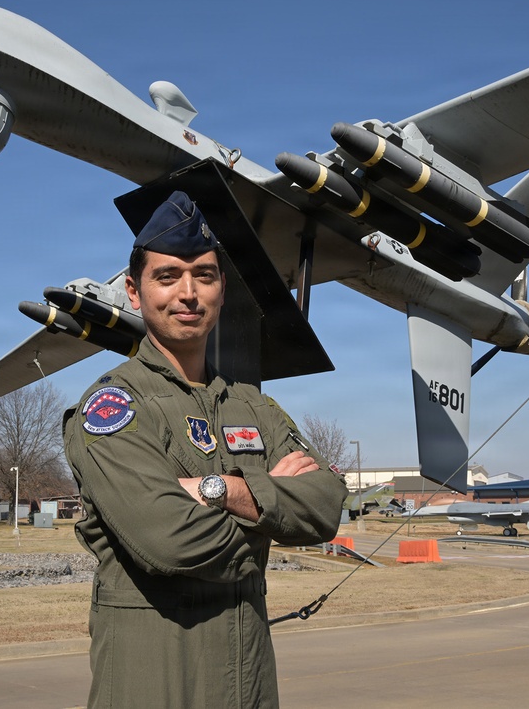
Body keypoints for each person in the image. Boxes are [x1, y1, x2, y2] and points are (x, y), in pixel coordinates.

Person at [63, 190, 348, 708]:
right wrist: (271, 512)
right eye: (167, 276)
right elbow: (168, 540)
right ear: (134, 292)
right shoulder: (113, 406)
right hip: (155, 683)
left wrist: (220, 491)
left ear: (222, 290)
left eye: (205, 276)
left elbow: (326, 504)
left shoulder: (252, 406)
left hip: (249, 684)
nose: (188, 293)